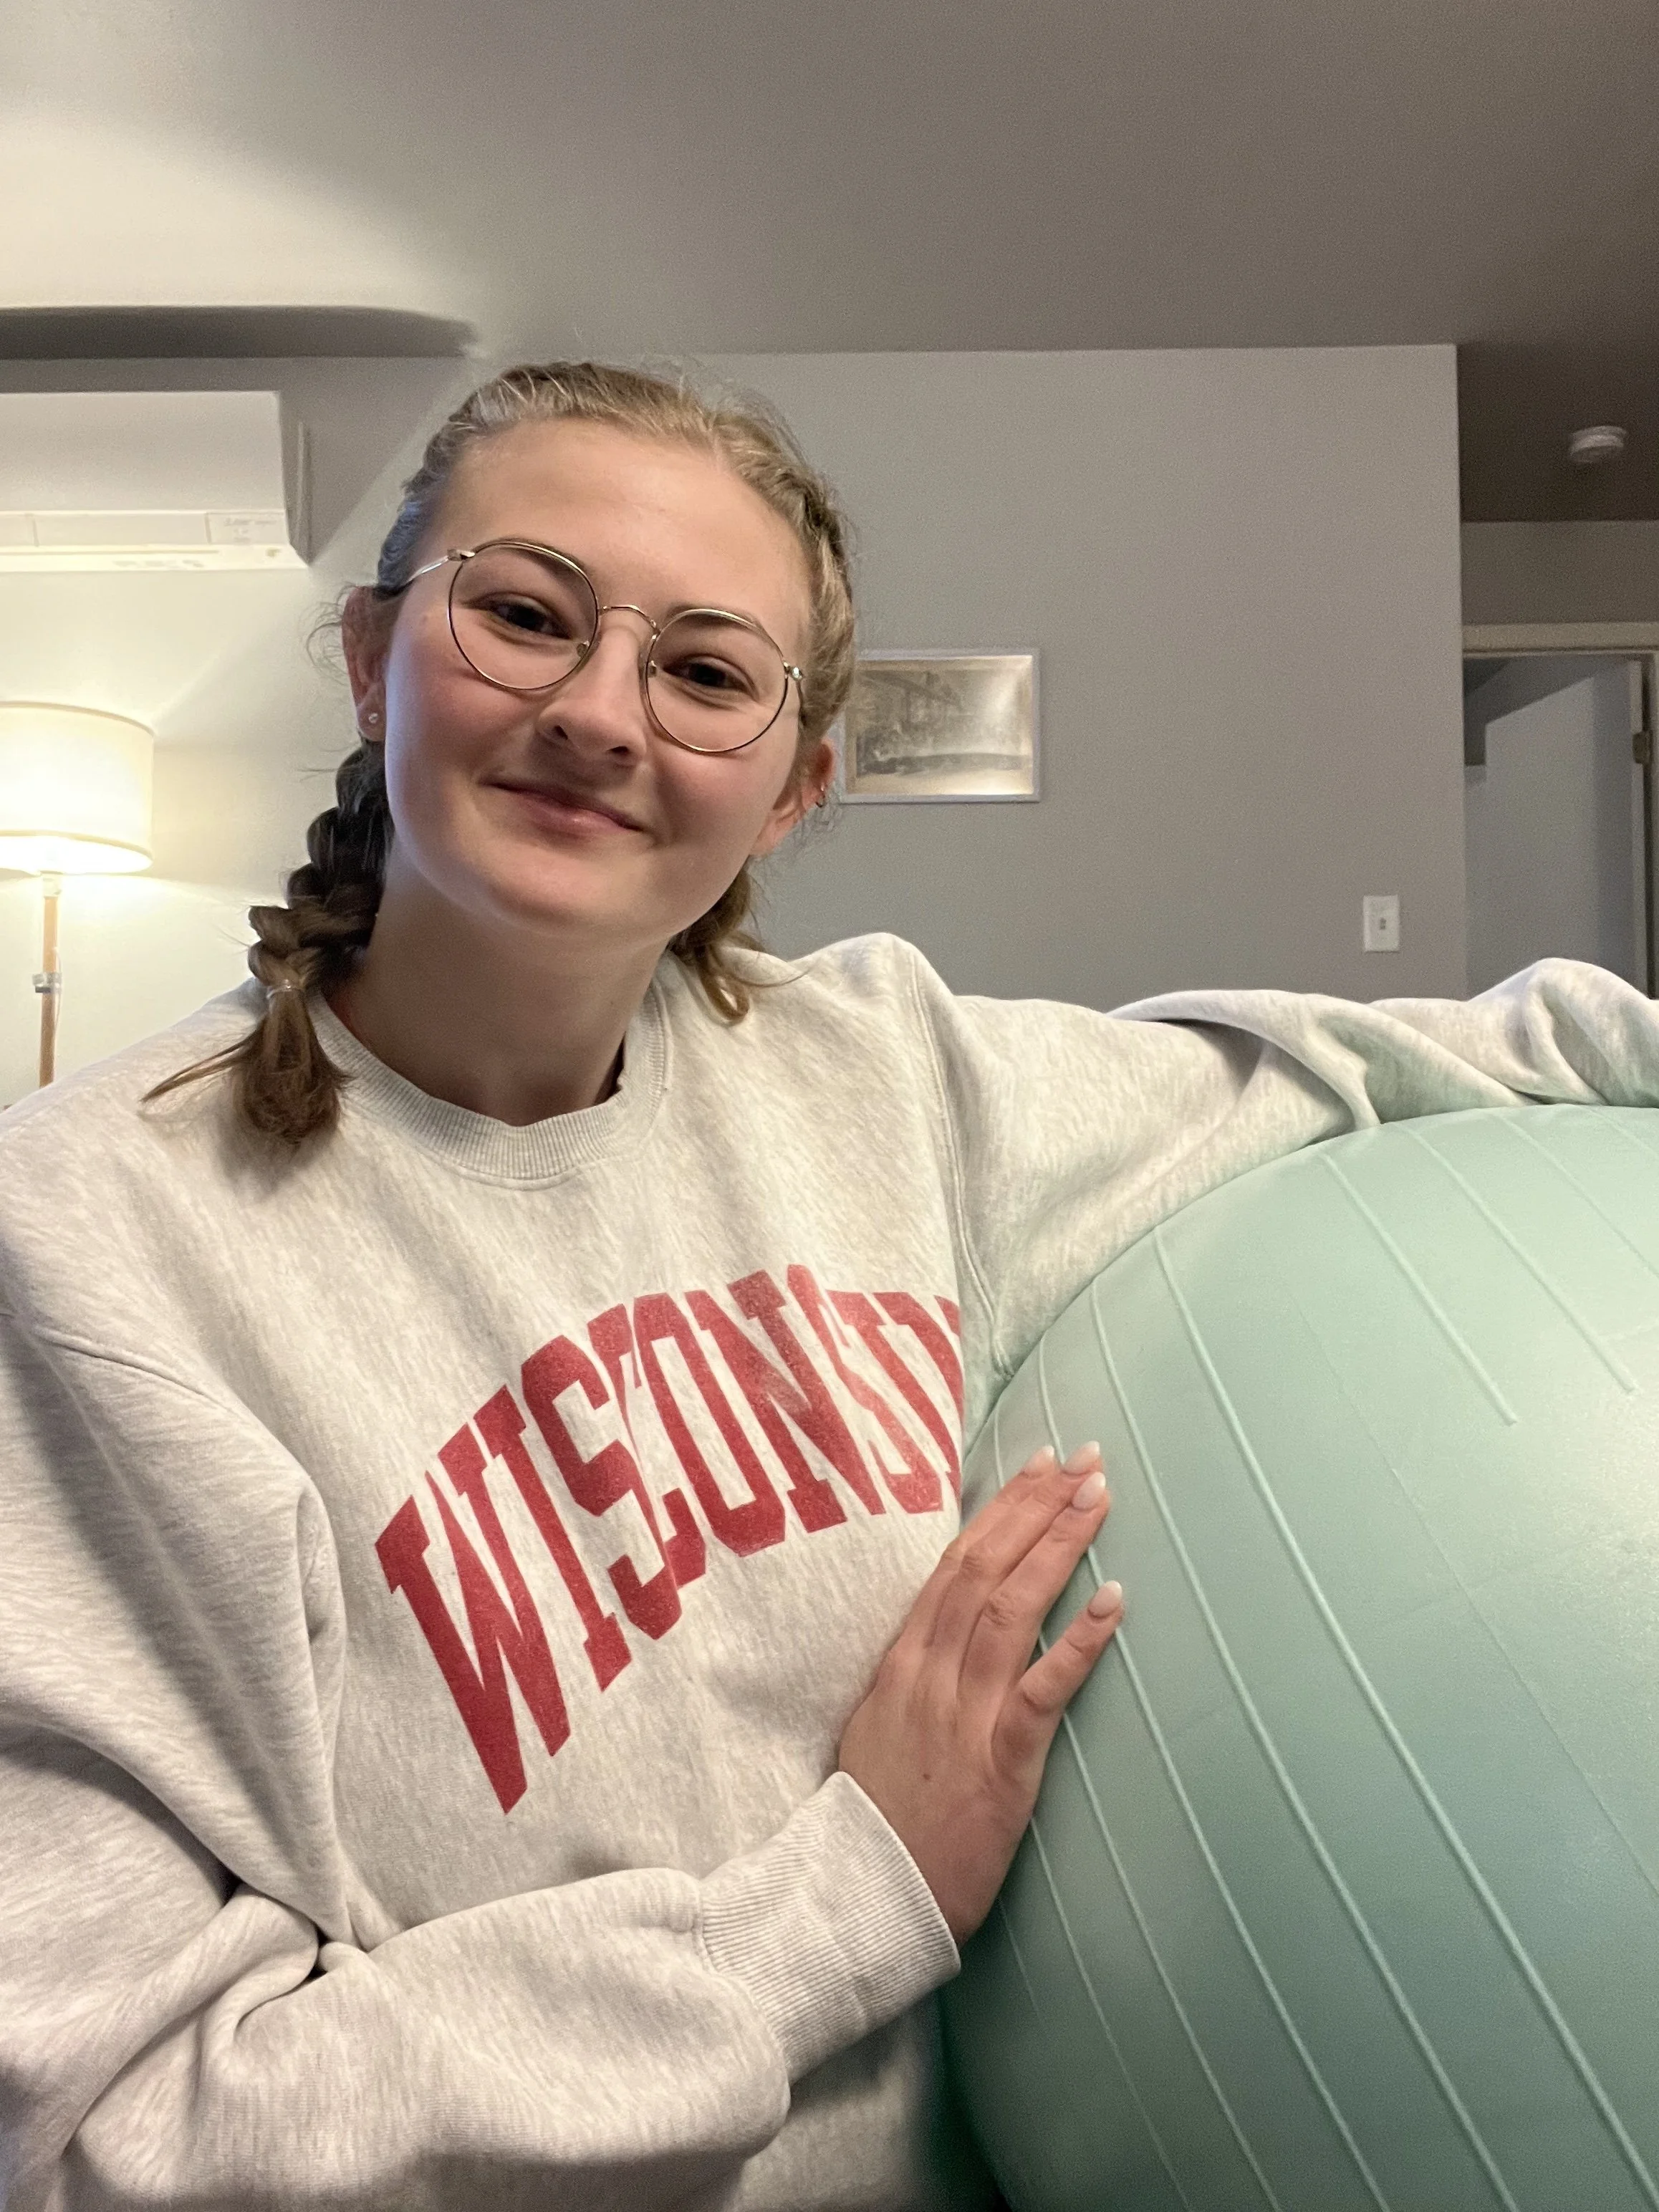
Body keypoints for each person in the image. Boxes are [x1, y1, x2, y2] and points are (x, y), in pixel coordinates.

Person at [3, 360, 1657, 2212]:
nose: (598, 712)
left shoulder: (890, 1082)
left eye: (705, 672)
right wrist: (854, 1891)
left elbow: (1427, 1055)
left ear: (794, 789)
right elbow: (99, 2138)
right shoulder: (87, 1241)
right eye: (525, 616)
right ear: (375, 656)